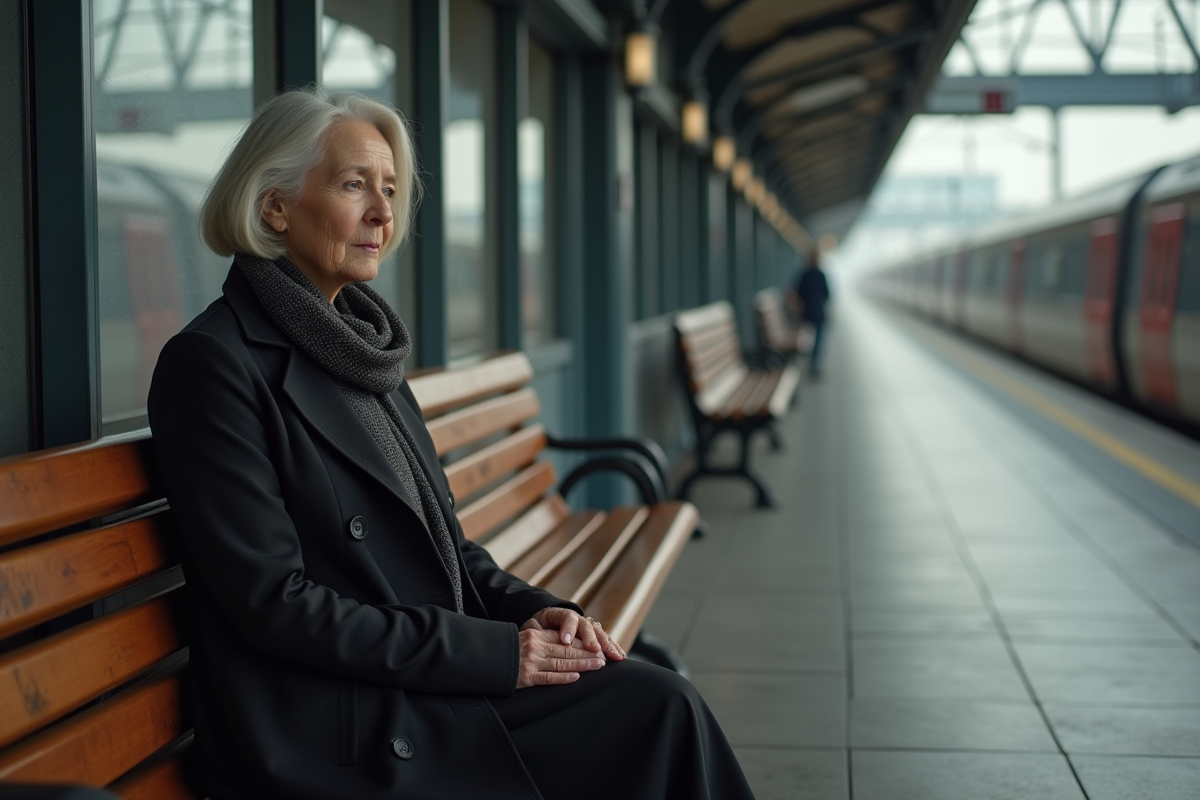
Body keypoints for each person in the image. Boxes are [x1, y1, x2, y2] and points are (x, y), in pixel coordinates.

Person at [148, 87, 755, 800]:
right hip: (336, 722)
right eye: (354, 186)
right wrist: (501, 654)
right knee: (657, 713)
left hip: (413, 676)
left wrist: (536, 613)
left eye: (391, 190)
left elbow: (448, 553)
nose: (383, 213)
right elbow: (276, 602)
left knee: (655, 701)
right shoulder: (214, 364)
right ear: (274, 207)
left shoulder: (363, 351)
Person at [793, 249, 831, 375]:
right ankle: (814, 365)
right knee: (818, 339)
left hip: (806, 312)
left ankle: (805, 359)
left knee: (806, 337)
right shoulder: (821, 275)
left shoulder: (804, 274)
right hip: (819, 312)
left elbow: (798, 293)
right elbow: (827, 294)